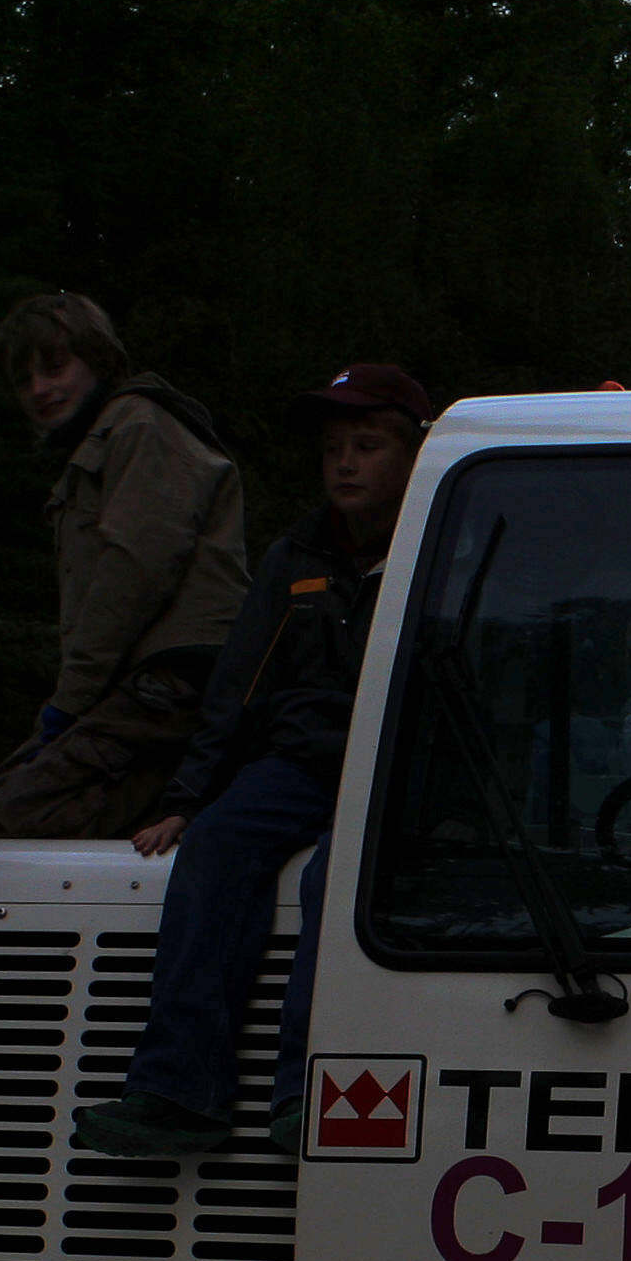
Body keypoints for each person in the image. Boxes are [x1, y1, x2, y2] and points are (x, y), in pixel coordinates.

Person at [114, 358, 433, 1159]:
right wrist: (190, 796)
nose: (346, 464)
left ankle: (309, 1092)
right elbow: (238, 685)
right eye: (334, 449)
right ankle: (179, 1090)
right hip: (298, 764)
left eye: (366, 445)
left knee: (341, 878)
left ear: (413, 455)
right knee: (217, 846)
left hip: (401, 768)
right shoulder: (297, 555)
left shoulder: (442, 546)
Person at [0, 291, 248, 844]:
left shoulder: (140, 426)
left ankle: (205, 793)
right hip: (132, 683)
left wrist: (69, 701)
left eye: (53, 368)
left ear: (97, 358)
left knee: (19, 806)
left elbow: (134, 572)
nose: (40, 390)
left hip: (174, 680)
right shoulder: (102, 439)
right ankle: (183, 788)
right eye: (24, 380)